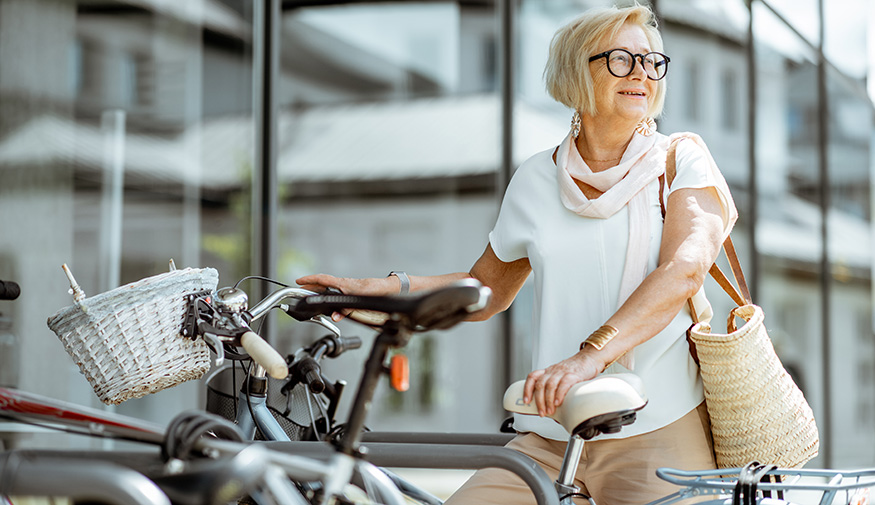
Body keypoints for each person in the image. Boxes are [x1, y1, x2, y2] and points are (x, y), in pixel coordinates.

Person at [297, 4, 737, 505]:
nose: (642, 73)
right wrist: (386, 292)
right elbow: (484, 291)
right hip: (551, 432)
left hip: (658, 429)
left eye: (653, 62)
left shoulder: (681, 160)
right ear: (578, 71)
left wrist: (587, 359)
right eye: (622, 59)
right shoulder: (535, 179)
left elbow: (683, 271)